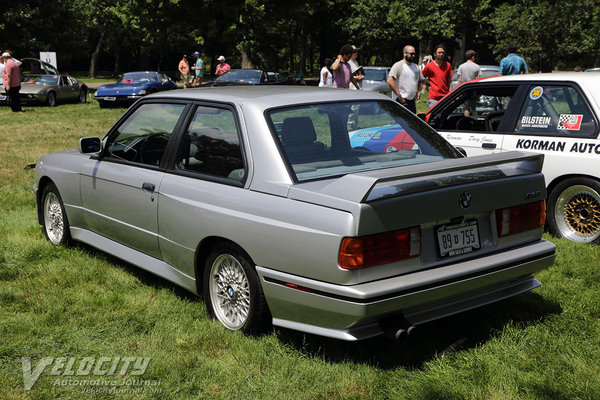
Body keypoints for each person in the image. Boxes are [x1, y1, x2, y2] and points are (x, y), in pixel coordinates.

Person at [386, 45, 425, 114]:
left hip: (412, 101)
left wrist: (419, 92)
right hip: (401, 101)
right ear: (404, 53)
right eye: (411, 54)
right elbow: (389, 81)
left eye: (414, 54)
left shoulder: (416, 67)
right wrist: (399, 96)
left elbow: (421, 80)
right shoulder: (398, 65)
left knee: (412, 123)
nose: (413, 56)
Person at [422, 44, 453, 108]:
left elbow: (449, 82)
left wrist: (450, 95)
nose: (441, 54)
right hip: (433, 98)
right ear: (435, 54)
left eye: (442, 53)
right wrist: (428, 84)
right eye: (439, 53)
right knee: (432, 117)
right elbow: (421, 78)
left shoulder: (448, 65)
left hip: (445, 97)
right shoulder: (429, 66)